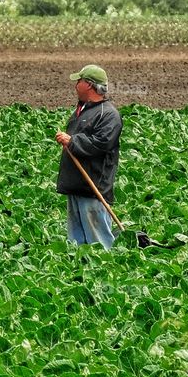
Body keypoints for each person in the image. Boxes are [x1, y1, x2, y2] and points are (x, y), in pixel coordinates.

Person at [55, 64, 123, 249]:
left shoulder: (108, 114)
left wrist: (72, 141)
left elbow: (101, 143)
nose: (76, 84)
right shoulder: (82, 110)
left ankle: (107, 271)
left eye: (79, 81)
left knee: (98, 240)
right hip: (76, 185)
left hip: (93, 187)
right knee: (76, 241)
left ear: (90, 85)